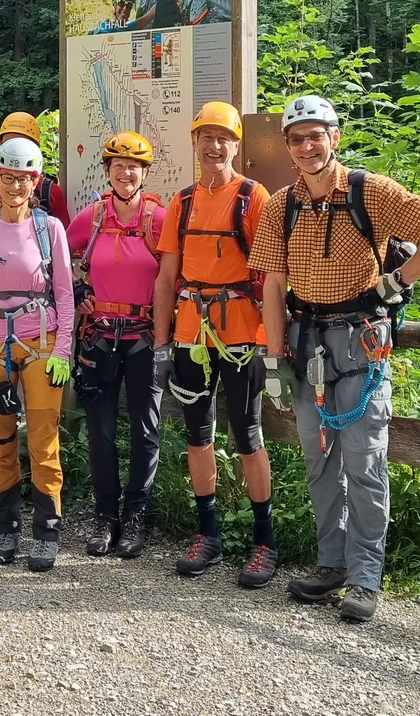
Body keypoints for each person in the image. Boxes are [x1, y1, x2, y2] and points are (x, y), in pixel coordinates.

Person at [251, 94, 420, 623]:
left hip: (360, 341)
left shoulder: (371, 191)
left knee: (364, 461)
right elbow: (273, 285)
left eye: (315, 135)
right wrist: (274, 355)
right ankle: (332, 564)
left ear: (335, 137)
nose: (306, 147)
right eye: (297, 139)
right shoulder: (281, 205)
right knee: (319, 458)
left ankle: (366, 575)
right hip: (305, 343)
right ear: (288, 146)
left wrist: (396, 282)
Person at [152, 100, 277, 586]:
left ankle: (263, 543)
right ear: (195, 142)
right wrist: (163, 345)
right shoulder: (181, 202)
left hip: (242, 334)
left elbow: (269, 275)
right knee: (197, 436)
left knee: (248, 436)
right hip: (190, 335)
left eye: (223, 137)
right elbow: (166, 278)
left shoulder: (252, 196)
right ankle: (209, 535)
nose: (215, 144)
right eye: (206, 136)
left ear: (236, 144)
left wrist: (272, 344)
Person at [0, 137, 75, 571]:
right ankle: (6, 529)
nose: (14, 186)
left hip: (42, 344)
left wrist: (63, 349)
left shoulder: (50, 230)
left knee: (43, 442)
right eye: (7, 177)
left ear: (35, 181)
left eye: (22, 178)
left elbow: (64, 292)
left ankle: (46, 533)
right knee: (0, 441)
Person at [65, 131, 166, 558]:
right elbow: (57, 259)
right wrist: (74, 287)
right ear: (106, 170)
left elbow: (176, 272)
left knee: (146, 428)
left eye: (135, 167)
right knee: (101, 432)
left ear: (145, 172)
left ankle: (135, 515)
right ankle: (106, 514)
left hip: (143, 335)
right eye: (119, 165)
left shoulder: (159, 219)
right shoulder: (89, 218)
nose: (126, 173)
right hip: (100, 334)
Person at [0, 112, 72, 226]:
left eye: (23, 143)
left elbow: (65, 238)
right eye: (9, 144)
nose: (15, 150)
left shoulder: (50, 193)